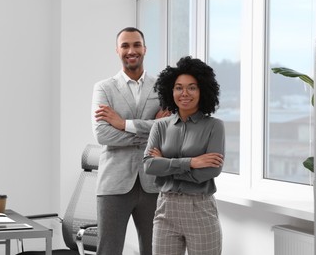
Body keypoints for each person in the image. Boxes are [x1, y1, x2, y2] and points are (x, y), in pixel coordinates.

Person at [91, 27, 171, 255]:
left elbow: (169, 132)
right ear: (117, 50)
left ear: (145, 49)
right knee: (109, 250)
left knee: (155, 250)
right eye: (125, 45)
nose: (131, 50)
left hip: (153, 182)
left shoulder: (161, 88)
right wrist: (151, 128)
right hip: (113, 183)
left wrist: (123, 123)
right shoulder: (103, 88)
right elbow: (103, 135)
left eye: (136, 44)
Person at [143, 56, 225, 255]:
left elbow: (211, 170)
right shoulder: (160, 126)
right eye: (178, 87)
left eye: (192, 87)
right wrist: (192, 162)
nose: (184, 93)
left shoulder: (214, 126)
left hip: (200, 208)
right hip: (165, 207)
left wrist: (165, 165)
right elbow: (148, 166)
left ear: (202, 90)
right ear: (170, 91)